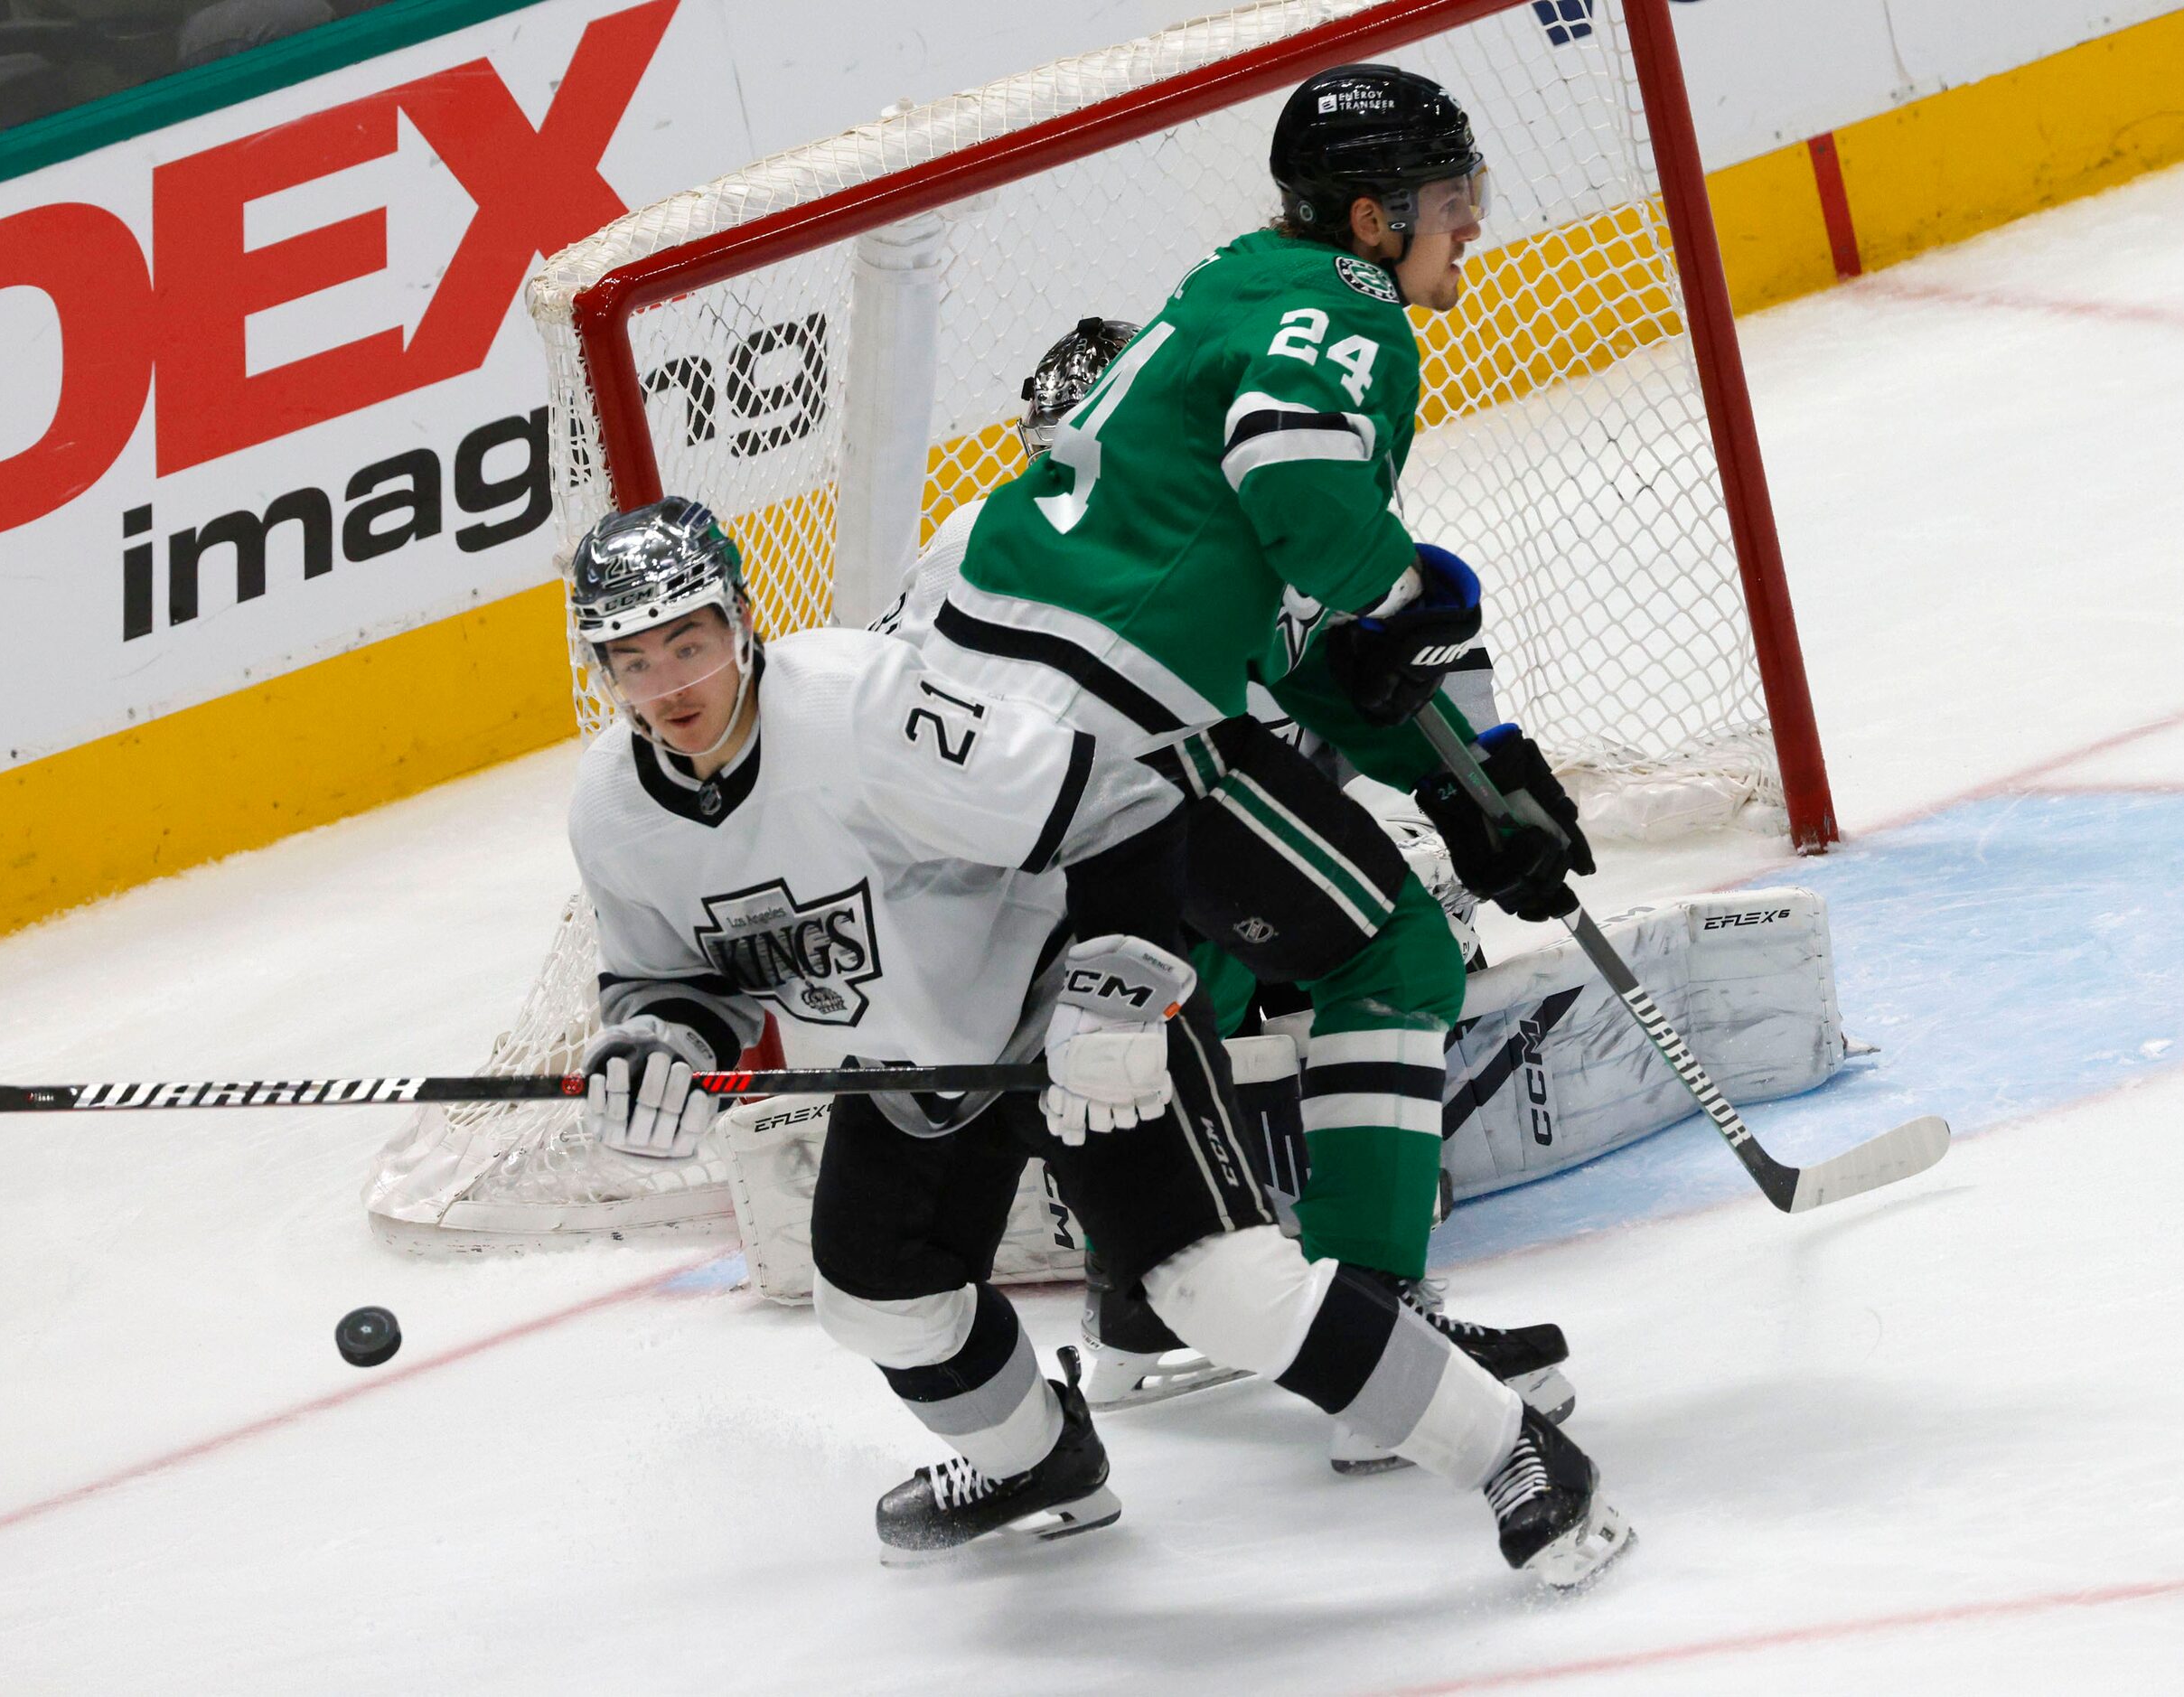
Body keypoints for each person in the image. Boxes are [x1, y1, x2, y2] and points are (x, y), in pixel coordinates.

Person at [562, 496, 1631, 1587]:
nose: (670, 686)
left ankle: (1514, 1450)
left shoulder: (858, 709)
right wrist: (660, 1050)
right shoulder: (609, 809)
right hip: (909, 1073)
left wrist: (1112, 992)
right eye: (633, 660)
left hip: (1067, 1018)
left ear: (739, 621)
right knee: (874, 1297)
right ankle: (1039, 1464)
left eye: (687, 643)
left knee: (1222, 1293)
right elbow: (678, 978)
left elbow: (1118, 809)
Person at [897, 65, 1596, 1469]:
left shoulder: (1229, 292)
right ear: (1370, 213)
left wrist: (1470, 773)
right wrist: (1404, 595)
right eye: (1450, 201)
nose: (1471, 226)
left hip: (960, 727)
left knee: (1146, 985)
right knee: (1383, 955)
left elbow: (1297, 647)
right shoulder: (1338, 310)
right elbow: (1304, 507)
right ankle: (1377, 1337)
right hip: (1101, 731)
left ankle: (1137, 1315)